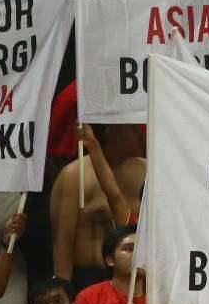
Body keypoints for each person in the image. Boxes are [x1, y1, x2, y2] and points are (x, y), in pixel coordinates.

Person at [49, 122, 146, 290]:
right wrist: (64, 291)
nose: (139, 133)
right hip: (87, 278)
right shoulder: (74, 175)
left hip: (131, 281)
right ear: (111, 132)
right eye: (131, 127)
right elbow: (62, 244)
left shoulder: (147, 172)